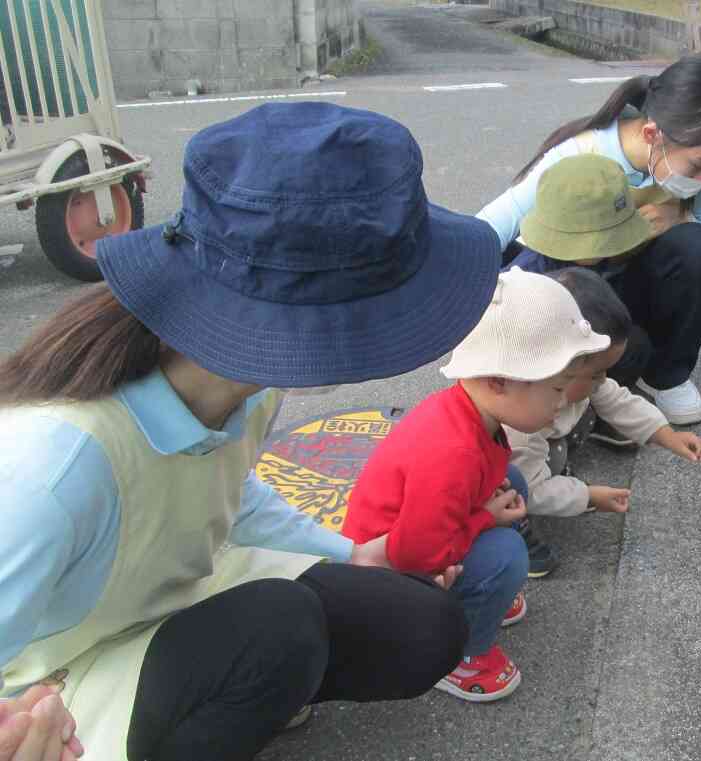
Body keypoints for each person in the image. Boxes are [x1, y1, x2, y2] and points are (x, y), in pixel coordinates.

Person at [0, 102, 503, 761]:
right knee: (281, 631)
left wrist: (348, 551)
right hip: (63, 673)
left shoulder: (247, 375)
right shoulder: (54, 465)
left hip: (176, 588)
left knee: (424, 625)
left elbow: (223, 488)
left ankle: (241, 686)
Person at [341, 268, 609, 702]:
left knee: (514, 481)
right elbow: (412, 552)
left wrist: (483, 512)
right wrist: (484, 518)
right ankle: (461, 656)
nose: (563, 402)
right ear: (499, 381)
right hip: (386, 574)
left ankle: (480, 600)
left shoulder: (468, 412)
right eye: (556, 389)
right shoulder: (452, 451)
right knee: (505, 557)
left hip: (418, 535)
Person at [477, 53, 701, 426]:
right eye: (699, 164)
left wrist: (682, 218)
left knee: (699, 248)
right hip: (577, 295)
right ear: (652, 134)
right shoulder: (583, 154)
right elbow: (496, 223)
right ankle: (566, 380)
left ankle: (666, 375)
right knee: (623, 347)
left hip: (628, 292)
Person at [506, 268, 701, 571]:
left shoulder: (567, 386)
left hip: (544, 441)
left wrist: (667, 435)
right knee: (518, 484)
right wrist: (587, 496)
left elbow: (618, 400)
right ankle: (514, 529)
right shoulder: (520, 422)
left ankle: (558, 475)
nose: (604, 380)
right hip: (506, 473)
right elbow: (533, 490)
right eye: (595, 373)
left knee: (585, 414)